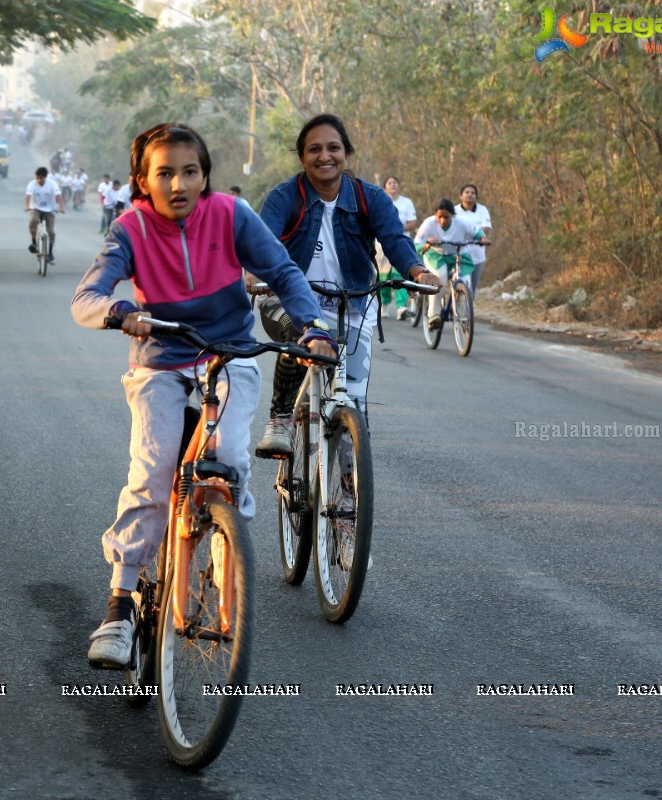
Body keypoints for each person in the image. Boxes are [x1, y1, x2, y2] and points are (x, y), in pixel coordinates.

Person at [70, 122, 338, 669]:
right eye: (163, 173)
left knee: (231, 462)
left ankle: (223, 553)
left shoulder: (232, 216)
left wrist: (311, 324)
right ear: (142, 181)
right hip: (162, 365)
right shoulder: (130, 229)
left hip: (229, 357)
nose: (178, 184)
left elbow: (283, 272)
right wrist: (121, 312)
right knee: (151, 474)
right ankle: (120, 605)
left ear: (206, 175)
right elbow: (86, 298)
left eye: (189, 171)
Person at [250, 114, 438, 458]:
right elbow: (263, 243)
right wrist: (254, 274)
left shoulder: (370, 198)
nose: (325, 156)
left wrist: (417, 271)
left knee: (354, 412)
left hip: (352, 304)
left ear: (346, 154)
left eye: (333, 148)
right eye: (314, 149)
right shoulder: (283, 197)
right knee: (301, 330)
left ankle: (347, 505)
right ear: (302, 157)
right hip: (288, 300)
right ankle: (280, 419)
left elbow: (395, 240)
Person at [415, 198, 490, 329]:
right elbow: (416, 245)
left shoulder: (461, 222)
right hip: (436, 255)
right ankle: (434, 313)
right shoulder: (429, 223)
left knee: (465, 282)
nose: (443, 221)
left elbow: (477, 232)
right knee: (441, 278)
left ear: (453, 216)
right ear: (435, 215)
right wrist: (428, 244)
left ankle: (463, 313)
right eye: (440, 217)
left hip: (459, 253)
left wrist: (482, 238)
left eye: (447, 217)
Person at [380, 176, 418, 319]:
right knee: (383, 277)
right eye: (389, 183)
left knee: (400, 274)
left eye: (395, 182)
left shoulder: (406, 203)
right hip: (381, 244)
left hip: (402, 242)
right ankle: (384, 303)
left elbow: (412, 223)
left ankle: (401, 307)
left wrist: (395, 229)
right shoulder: (381, 202)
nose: (393, 184)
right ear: (385, 188)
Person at [454, 183, 492, 293]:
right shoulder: (454, 210)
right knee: (461, 283)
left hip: (477, 254)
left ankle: (467, 308)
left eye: (473, 193)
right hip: (459, 254)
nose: (470, 195)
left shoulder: (482, 210)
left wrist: (478, 237)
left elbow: (485, 228)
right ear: (461, 196)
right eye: (467, 192)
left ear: (476, 196)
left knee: (471, 289)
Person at [24, 166, 66, 262]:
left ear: (45, 177)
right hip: (36, 208)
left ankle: (50, 252)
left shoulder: (52, 184)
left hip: (49, 210)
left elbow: (58, 196)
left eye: (41, 178)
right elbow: (28, 196)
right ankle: (34, 242)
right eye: (37, 178)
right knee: (33, 221)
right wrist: (27, 206)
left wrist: (62, 207)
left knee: (51, 232)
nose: (39, 180)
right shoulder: (32, 184)